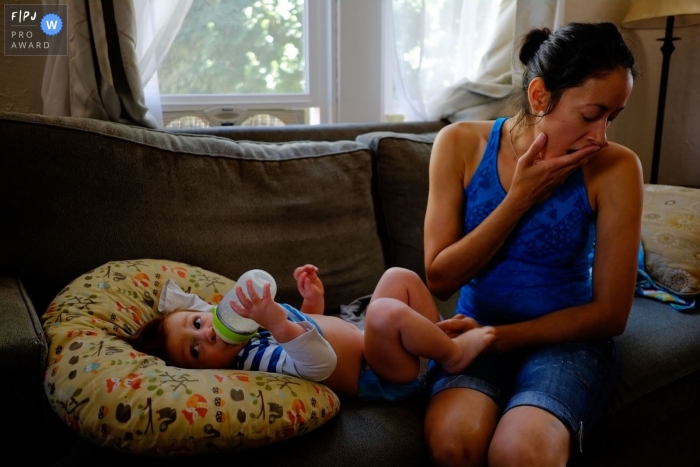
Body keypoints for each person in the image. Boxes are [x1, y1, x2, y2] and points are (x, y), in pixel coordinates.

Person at [421, 22, 643, 466]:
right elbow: (440, 277)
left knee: (520, 451)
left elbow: (611, 314)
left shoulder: (616, 168)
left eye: (611, 118)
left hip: (568, 342)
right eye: (590, 114)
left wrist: (496, 338)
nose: (600, 136)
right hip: (475, 325)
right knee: (453, 440)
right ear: (540, 96)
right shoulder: (460, 144)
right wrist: (519, 198)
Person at [127, 264, 495, 402]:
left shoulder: (248, 328)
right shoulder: (252, 361)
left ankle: (435, 334)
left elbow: (312, 330)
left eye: (196, 323)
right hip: (380, 371)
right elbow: (316, 362)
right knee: (384, 311)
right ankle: (450, 356)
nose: (205, 334)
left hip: (369, 338)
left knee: (398, 277)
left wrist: (312, 302)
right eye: (195, 351)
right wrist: (275, 320)